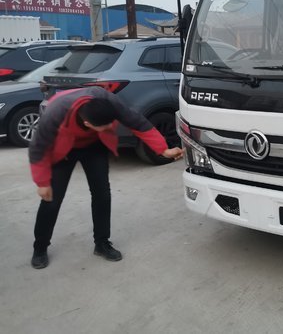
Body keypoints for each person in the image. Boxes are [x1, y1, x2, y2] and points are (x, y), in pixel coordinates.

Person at [28, 86, 183, 269]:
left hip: (94, 146)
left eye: (111, 123)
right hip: (62, 150)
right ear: (88, 124)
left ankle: (102, 243)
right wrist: (42, 182)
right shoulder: (56, 112)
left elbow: (137, 122)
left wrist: (163, 149)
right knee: (51, 199)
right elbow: (38, 148)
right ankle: (40, 248)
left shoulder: (107, 100)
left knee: (102, 194)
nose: (111, 127)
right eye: (106, 125)